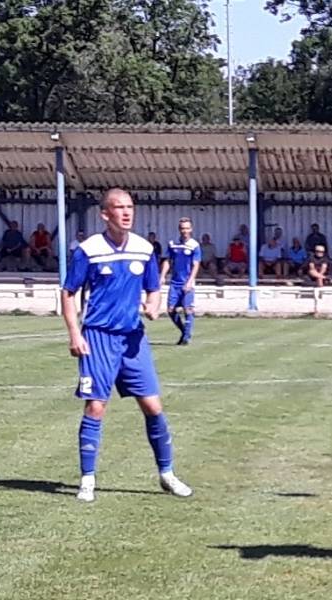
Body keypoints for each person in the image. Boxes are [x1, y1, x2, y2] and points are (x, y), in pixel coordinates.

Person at [61, 188, 192, 503]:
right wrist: (74, 333)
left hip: (133, 338)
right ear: (105, 214)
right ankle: (88, 479)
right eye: (119, 208)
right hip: (98, 338)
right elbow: (69, 292)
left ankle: (167, 473)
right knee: (95, 406)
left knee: (153, 406)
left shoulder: (144, 248)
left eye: (130, 207)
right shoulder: (89, 250)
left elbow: (153, 288)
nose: (126, 212)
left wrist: (153, 304)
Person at [159, 217, 202, 346]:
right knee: (171, 310)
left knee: (188, 309)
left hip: (187, 282)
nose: (185, 231)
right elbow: (167, 261)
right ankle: (184, 331)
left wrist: (190, 281)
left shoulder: (194, 245)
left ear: (191, 229)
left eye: (187, 228)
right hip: (174, 282)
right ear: (179, 229)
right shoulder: (173, 244)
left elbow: (196, 264)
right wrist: (162, 276)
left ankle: (186, 337)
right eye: (183, 228)